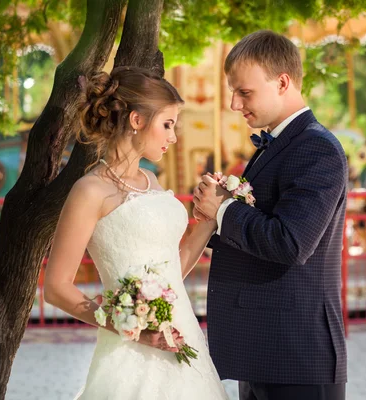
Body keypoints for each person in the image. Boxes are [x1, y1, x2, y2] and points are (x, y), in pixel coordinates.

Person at [43, 66, 228, 400]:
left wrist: (210, 217)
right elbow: (56, 288)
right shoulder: (89, 191)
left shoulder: (151, 182)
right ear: (136, 120)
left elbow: (175, 267)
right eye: (167, 124)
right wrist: (132, 328)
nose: (173, 137)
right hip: (130, 350)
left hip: (183, 338)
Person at [193, 30, 348, 400]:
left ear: (282, 82)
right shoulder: (277, 144)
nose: (234, 103)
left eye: (244, 92)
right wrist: (217, 212)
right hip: (266, 348)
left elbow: (291, 242)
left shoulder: (317, 148)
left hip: (297, 353)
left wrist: (225, 209)